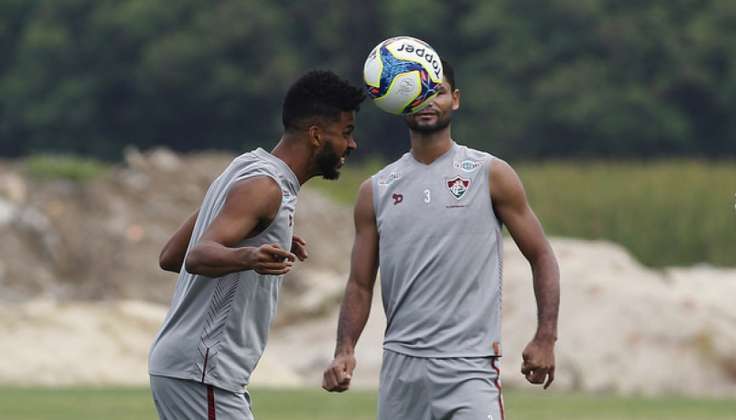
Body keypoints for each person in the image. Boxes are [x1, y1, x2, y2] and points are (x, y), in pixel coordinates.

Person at [322, 60, 560, 420]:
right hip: (402, 371)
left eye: (439, 91)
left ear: (456, 99)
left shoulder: (490, 174)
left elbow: (542, 255)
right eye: (418, 92)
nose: (429, 100)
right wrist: (344, 350)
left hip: (470, 367)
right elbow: (359, 284)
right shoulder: (376, 190)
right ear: (400, 101)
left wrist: (546, 337)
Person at [148, 70, 365, 420]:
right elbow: (196, 256)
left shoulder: (246, 168)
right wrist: (249, 255)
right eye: (346, 133)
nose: (351, 145)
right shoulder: (264, 187)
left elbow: (170, 255)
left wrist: (260, 234)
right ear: (315, 135)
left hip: (192, 371)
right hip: (203, 372)